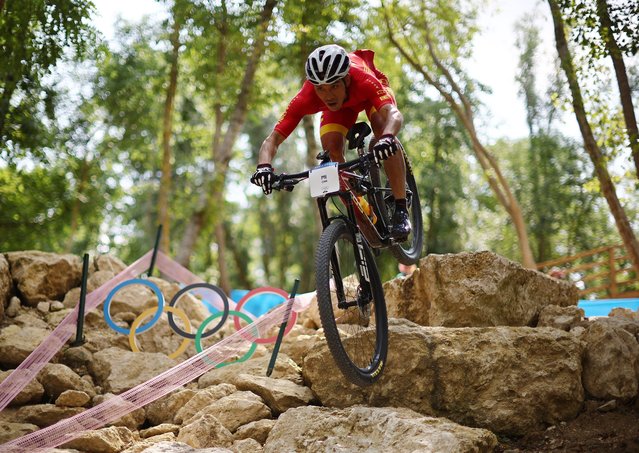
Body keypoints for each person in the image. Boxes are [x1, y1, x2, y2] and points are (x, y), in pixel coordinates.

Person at [250, 44, 411, 240]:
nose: (328, 95)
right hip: (340, 110)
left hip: (369, 97)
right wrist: (264, 168)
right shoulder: (307, 97)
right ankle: (364, 211)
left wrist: (386, 138)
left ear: (347, 79)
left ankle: (401, 208)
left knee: (381, 126)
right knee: (331, 152)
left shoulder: (363, 80)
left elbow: (394, 115)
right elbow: (272, 140)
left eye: (334, 85)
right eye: (321, 88)